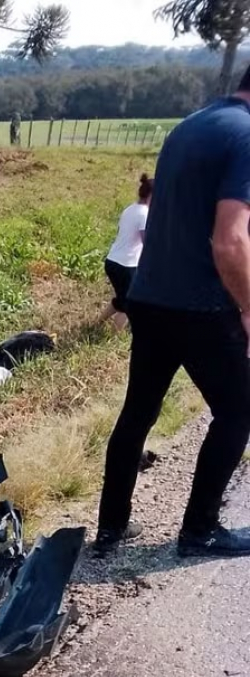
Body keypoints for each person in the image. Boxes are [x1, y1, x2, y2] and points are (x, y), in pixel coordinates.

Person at [94, 67, 250, 557]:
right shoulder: (247, 137)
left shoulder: (193, 123)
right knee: (238, 411)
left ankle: (110, 530)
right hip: (200, 304)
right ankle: (199, 531)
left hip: (150, 296)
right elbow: (231, 242)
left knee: (138, 411)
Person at [98, 175, 154, 331]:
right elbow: (147, 243)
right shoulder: (144, 213)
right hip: (126, 265)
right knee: (129, 304)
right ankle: (113, 336)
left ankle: (97, 323)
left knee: (121, 300)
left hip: (112, 261)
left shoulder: (130, 209)